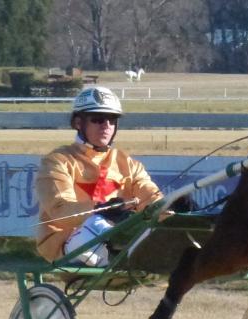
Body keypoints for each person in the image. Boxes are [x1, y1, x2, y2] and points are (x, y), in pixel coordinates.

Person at [35, 86, 161, 266]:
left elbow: (151, 197)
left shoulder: (129, 164)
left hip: (110, 238)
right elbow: (60, 209)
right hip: (66, 244)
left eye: (112, 119)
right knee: (97, 225)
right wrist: (101, 209)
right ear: (78, 123)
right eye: (98, 119)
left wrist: (173, 207)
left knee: (156, 230)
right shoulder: (57, 161)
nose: (106, 126)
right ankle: (123, 252)